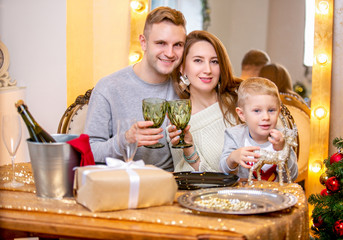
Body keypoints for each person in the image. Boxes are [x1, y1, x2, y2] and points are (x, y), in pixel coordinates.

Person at [84, 7, 187, 171]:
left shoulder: (185, 89)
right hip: (123, 184)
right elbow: (89, 151)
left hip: (172, 184)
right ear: (143, 42)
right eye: (161, 43)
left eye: (178, 45)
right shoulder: (109, 87)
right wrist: (125, 140)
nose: (169, 53)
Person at [168, 30, 240, 172]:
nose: (207, 69)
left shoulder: (241, 101)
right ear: (182, 67)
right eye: (198, 60)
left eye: (214, 62)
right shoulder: (179, 123)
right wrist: (189, 150)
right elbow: (191, 183)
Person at [219, 77, 298, 182]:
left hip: (274, 195)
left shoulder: (283, 137)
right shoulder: (235, 135)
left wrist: (282, 149)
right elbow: (223, 171)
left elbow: (292, 176)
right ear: (242, 114)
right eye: (257, 111)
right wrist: (232, 158)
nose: (266, 117)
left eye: (271, 110)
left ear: (278, 112)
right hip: (243, 195)